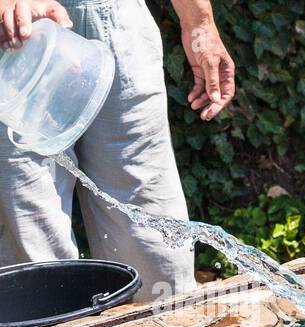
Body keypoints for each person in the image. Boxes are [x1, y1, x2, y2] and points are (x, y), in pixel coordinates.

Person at [0, 0, 235, 301]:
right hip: (13, 32)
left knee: (158, 260)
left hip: (115, 19)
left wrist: (199, 21)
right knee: (36, 265)